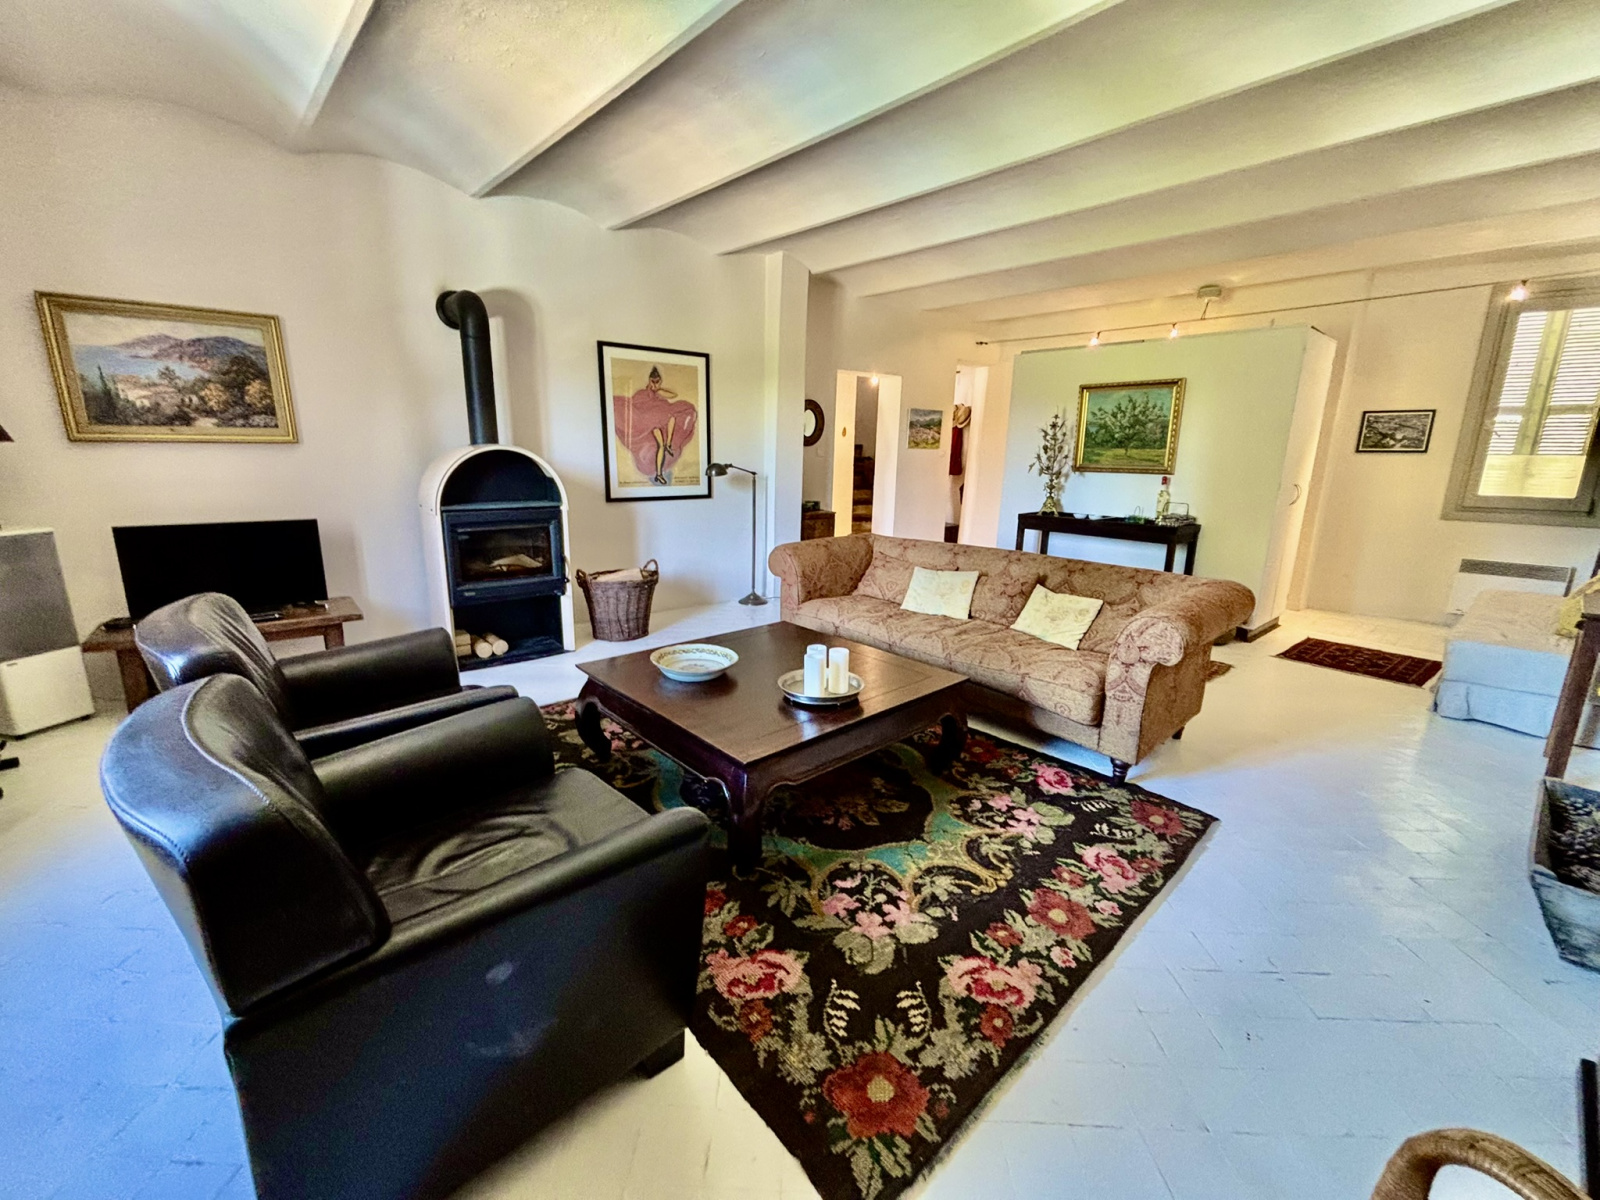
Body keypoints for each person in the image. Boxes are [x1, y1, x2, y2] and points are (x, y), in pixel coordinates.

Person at [614, 365, 697, 485]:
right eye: (653, 381)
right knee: (661, 444)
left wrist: (658, 390)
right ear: (649, 380)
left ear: (660, 382)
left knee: (672, 417)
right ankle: (659, 473)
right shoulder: (642, 393)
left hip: (660, 421)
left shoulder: (658, 393)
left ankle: (668, 445)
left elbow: (673, 395)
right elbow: (635, 406)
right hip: (649, 422)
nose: (655, 384)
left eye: (657, 382)